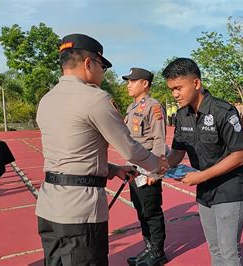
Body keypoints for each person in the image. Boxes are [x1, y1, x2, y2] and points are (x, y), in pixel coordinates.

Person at [35, 34, 168, 265]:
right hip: (80, 211)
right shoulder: (95, 98)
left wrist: (113, 169)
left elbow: (73, 154)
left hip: (48, 207)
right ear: (89, 63)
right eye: (102, 66)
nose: (103, 73)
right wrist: (157, 166)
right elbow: (130, 149)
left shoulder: (47, 99)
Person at [163, 58, 243, 266]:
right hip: (204, 191)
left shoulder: (223, 111)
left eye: (178, 88)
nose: (175, 94)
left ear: (196, 83)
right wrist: (157, 169)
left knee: (229, 251)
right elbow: (177, 153)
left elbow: (239, 156)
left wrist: (200, 176)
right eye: (171, 90)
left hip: (229, 190)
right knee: (214, 249)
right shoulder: (182, 115)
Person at [121, 67, 168, 265]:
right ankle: (148, 248)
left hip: (148, 168)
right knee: (141, 210)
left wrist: (154, 171)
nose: (128, 85)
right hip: (134, 169)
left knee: (152, 211)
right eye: (128, 81)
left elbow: (159, 140)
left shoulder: (153, 106)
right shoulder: (132, 108)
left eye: (132, 81)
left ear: (145, 84)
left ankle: (157, 253)